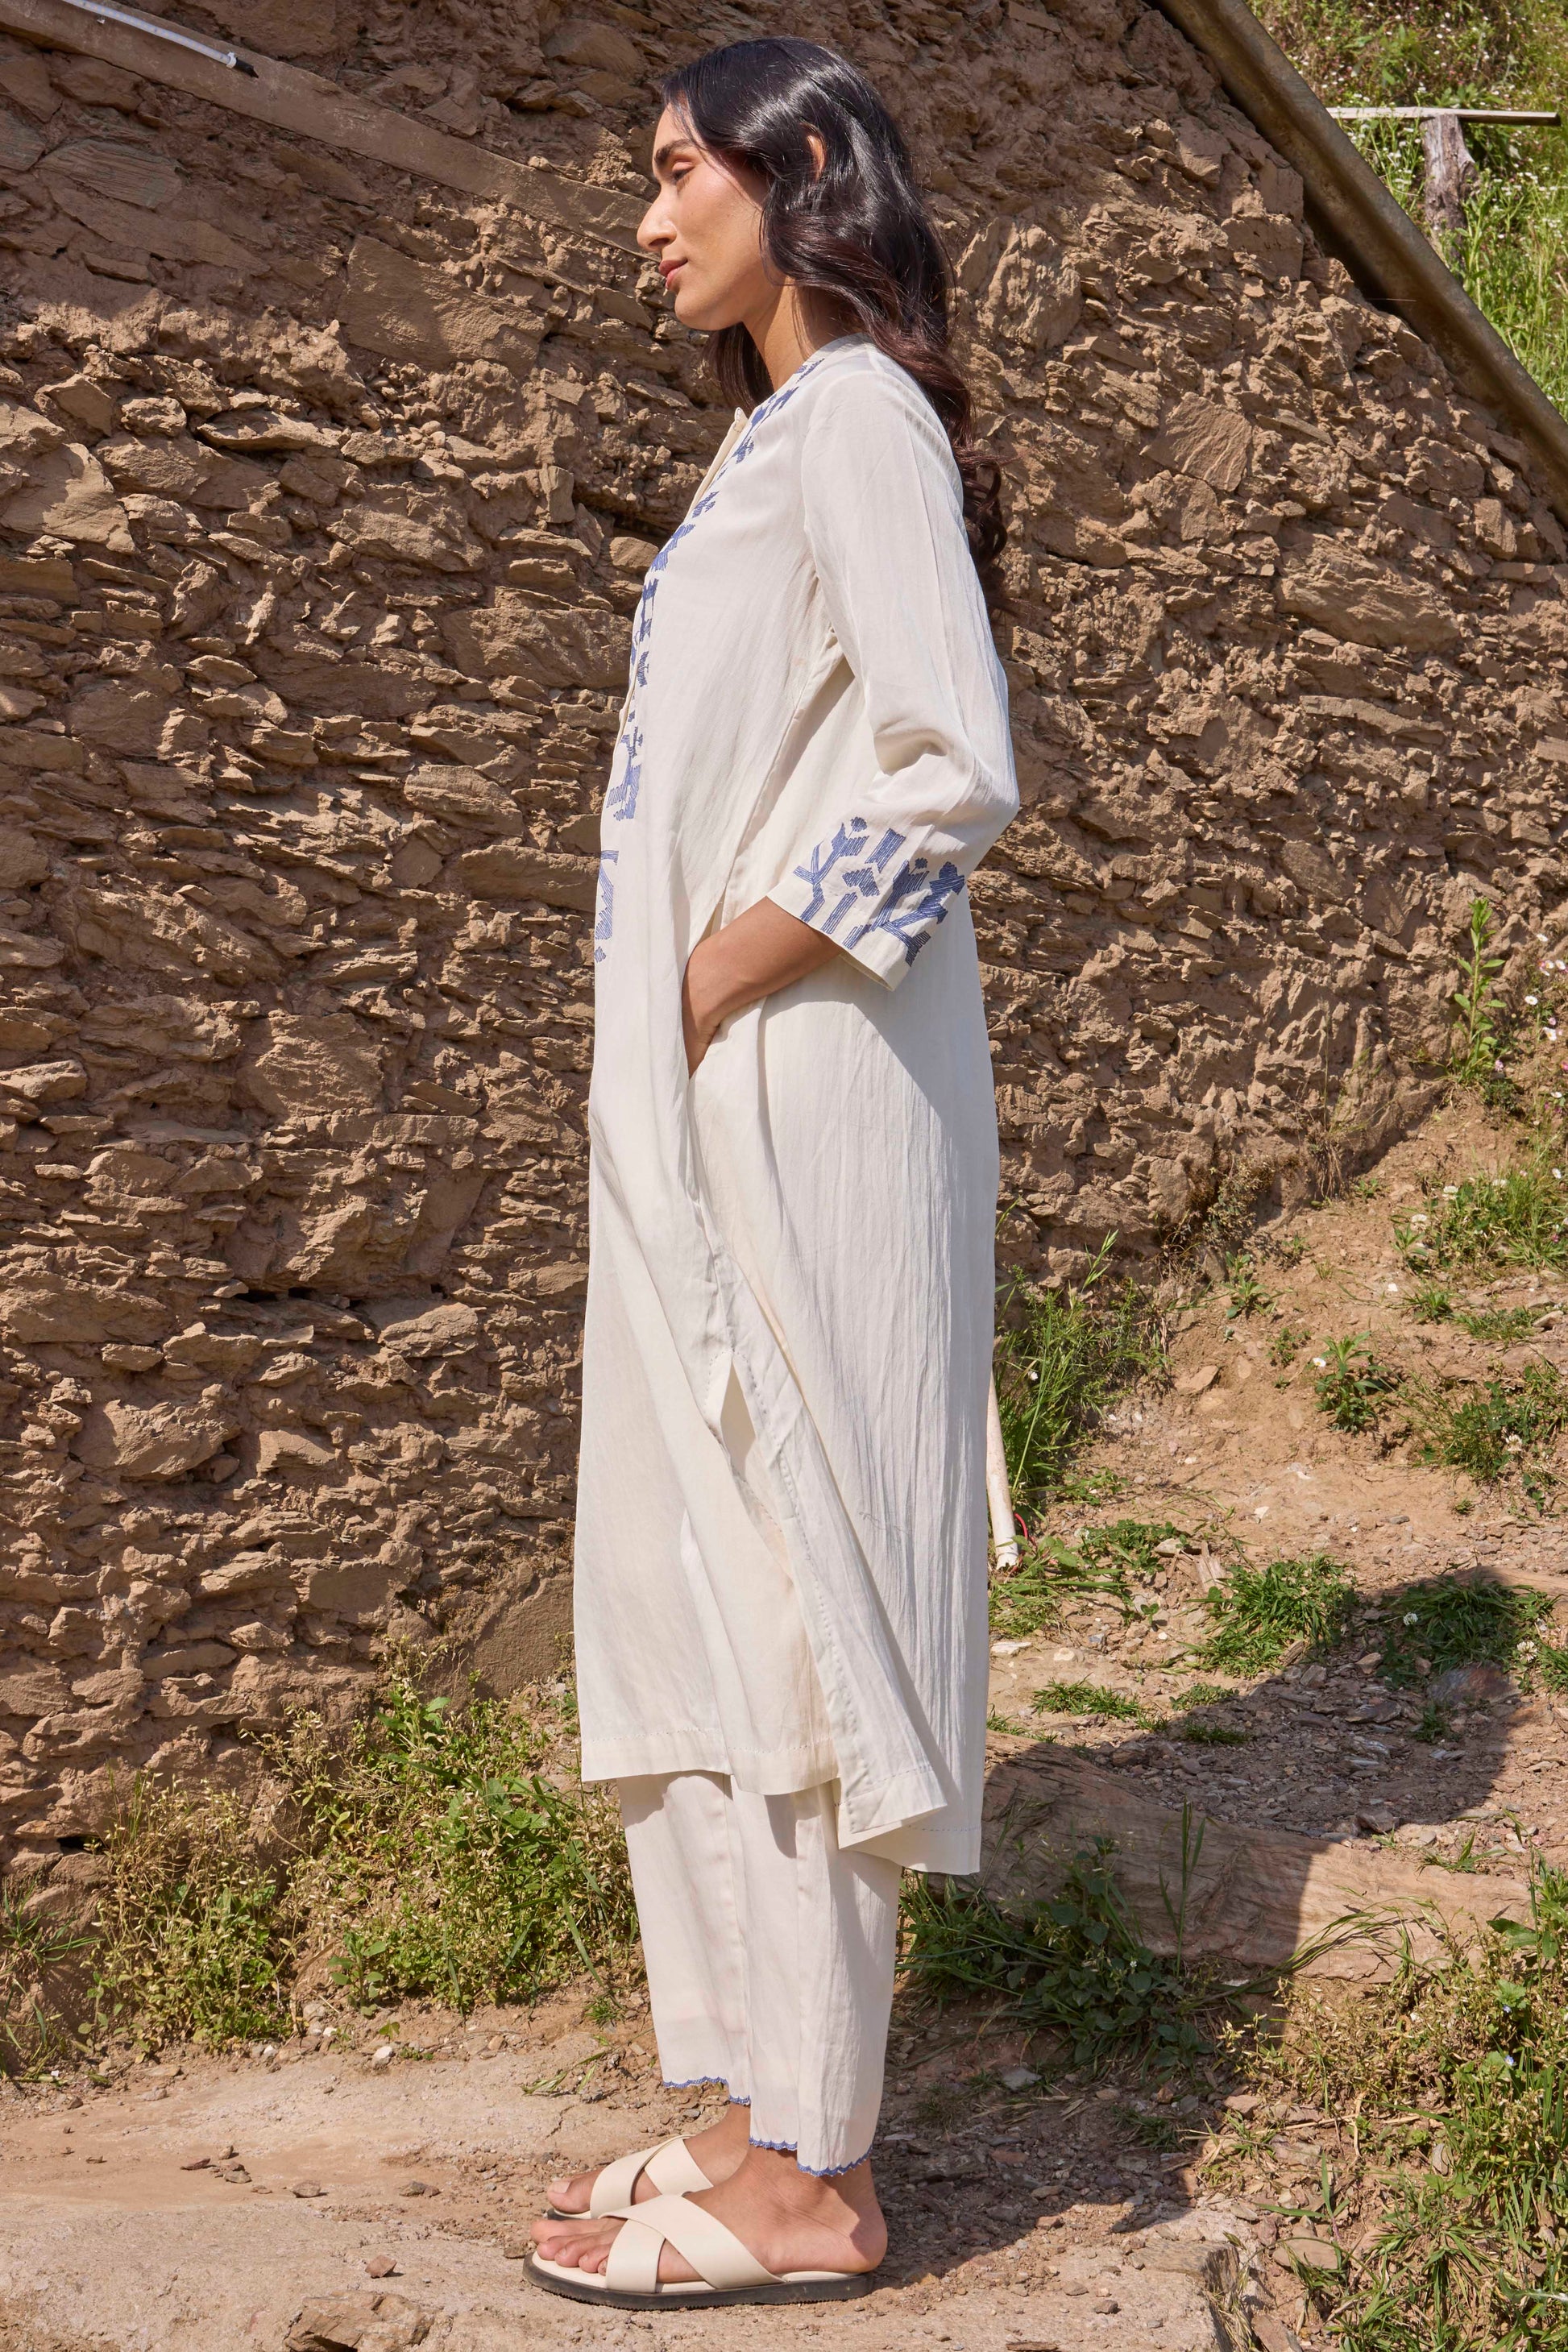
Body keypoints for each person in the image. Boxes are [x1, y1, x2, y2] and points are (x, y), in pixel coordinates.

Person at [526, 33, 1018, 2313]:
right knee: (694, 1577)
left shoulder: (860, 423)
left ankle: (814, 2174)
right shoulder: (770, 438)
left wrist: (722, 966)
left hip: (803, 1082)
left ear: (800, 166)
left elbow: (951, 762)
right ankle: (747, 2108)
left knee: (796, 1568)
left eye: (673, 173)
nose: (646, 224)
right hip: (704, 1101)